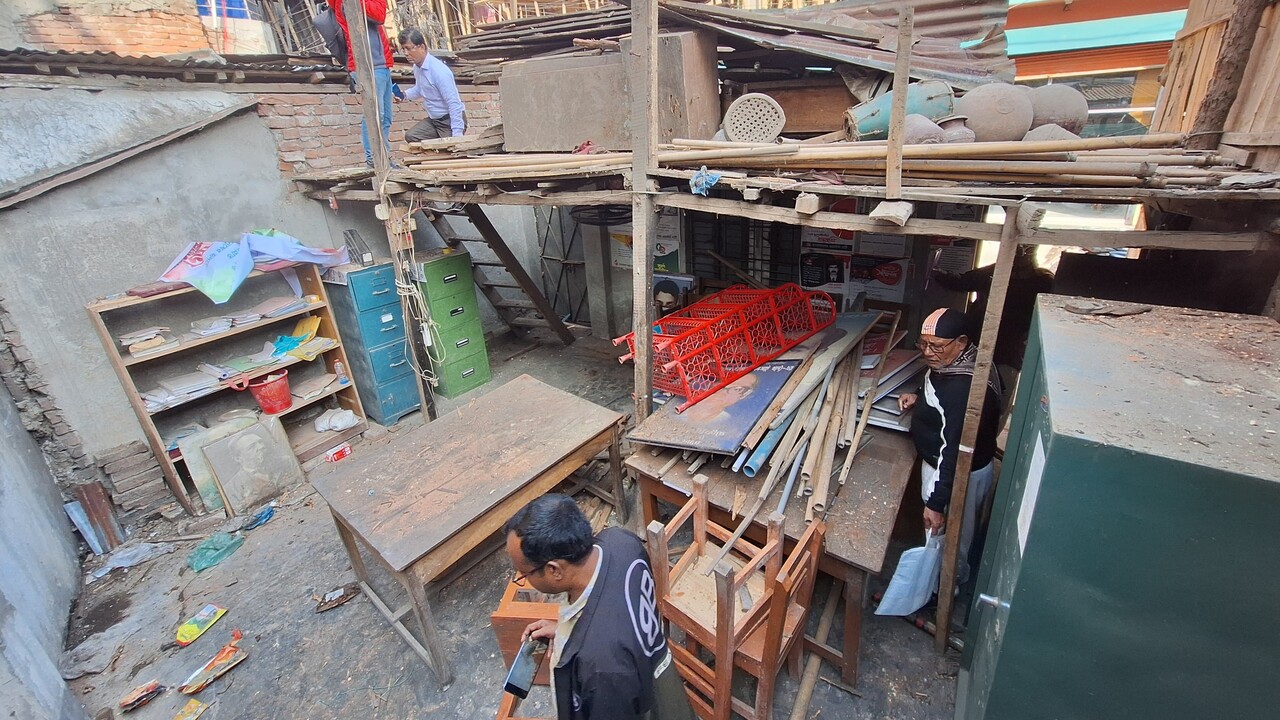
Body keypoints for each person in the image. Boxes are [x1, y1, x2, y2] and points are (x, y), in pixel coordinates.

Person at [504, 495, 693, 720]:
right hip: (657, 679)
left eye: (524, 573)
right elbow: (618, 608)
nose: (522, 578)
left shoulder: (600, 669)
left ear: (554, 570)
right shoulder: (621, 542)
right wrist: (570, 632)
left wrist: (584, 642)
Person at [898, 308, 1003, 587]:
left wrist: (935, 502)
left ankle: (944, 589)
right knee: (942, 535)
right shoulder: (964, 362)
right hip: (947, 463)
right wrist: (919, 397)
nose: (928, 352)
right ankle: (936, 581)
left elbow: (954, 451)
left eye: (937, 346)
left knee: (949, 537)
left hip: (956, 473)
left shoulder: (962, 388)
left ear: (961, 341)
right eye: (923, 344)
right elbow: (937, 385)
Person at [932, 244, 1054, 391]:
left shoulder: (998, 273)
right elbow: (961, 281)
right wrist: (936, 273)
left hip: (1002, 345)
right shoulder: (1042, 280)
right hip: (1003, 345)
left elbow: (960, 281)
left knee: (990, 387)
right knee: (991, 388)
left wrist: (935, 272)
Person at [332, 0, 394, 166]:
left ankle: (384, 158)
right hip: (367, 65)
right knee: (374, 115)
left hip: (381, 64)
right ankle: (373, 159)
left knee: (386, 117)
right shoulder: (347, 2)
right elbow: (379, 14)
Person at [397, 28, 467, 142]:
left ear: (422, 47)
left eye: (409, 48)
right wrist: (404, 95)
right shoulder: (417, 67)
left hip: (449, 121)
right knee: (412, 136)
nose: (406, 53)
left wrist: (457, 134)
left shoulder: (439, 71)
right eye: (403, 49)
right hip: (434, 121)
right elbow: (420, 89)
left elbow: (454, 103)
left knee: (449, 153)